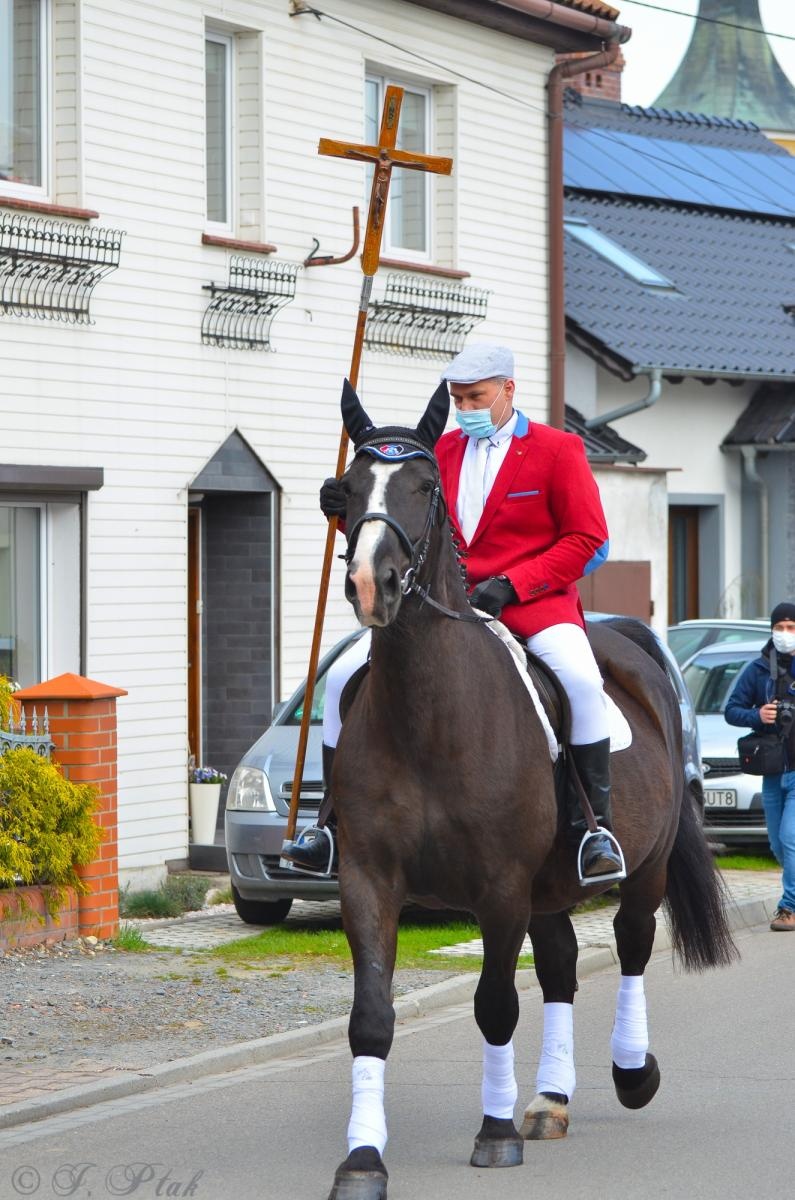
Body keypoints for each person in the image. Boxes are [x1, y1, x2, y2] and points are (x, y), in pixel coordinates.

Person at [282, 343, 624, 882]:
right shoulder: (436, 454)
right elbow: (403, 528)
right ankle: (329, 826)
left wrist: (514, 584)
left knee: (580, 680)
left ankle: (592, 829)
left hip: (534, 607)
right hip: (445, 607)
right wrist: (344, 514)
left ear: (507, 391)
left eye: (475, 397)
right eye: (457, 397)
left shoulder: (559, 451)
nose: (464, 406)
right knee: (343, 677)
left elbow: (588, 539)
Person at [725, 601, 795, 931]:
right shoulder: (757, 670)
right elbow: (732, 710)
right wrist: (758, 715)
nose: (785, 634)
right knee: (777, 845)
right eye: (779, 627)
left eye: (791, 627)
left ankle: (788, 908)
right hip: (771, 772)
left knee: (790, 838)